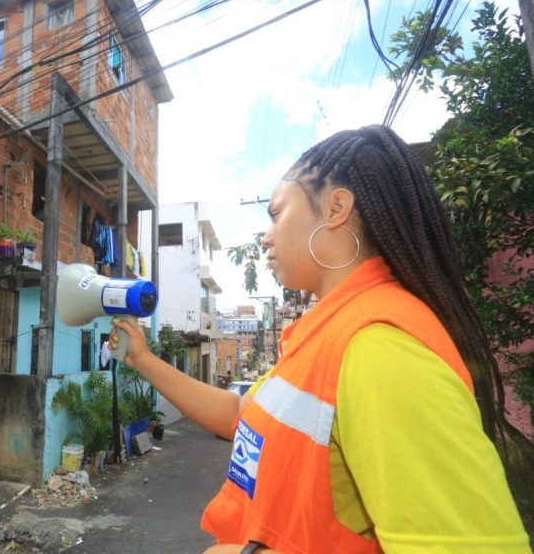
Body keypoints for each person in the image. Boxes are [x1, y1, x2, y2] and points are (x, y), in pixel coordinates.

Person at [110, 125, 531, 554]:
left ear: (336, 208)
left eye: (276, 213)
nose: (266, 236)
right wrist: (142, 358)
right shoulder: (324, 334)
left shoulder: (379, 347)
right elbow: (239, 414)